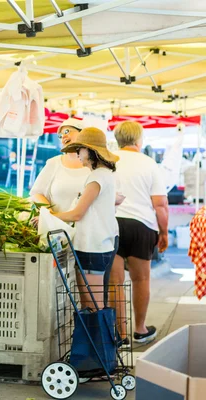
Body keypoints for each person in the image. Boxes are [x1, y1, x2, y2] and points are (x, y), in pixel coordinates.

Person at [109, 121, 169, 345]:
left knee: (115, 282)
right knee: (141, 279)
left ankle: (121, 334)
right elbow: (160, 204)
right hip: (142, 226)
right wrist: (164, 233)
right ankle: (140, 329)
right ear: (138, 140)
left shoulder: (108, 161)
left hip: (112, 223)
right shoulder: (149, 164)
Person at [52, 127, 120, 310]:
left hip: (93, 247)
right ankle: (97, 338)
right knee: (91, 305)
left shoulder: (97, 177)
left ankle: (101, 339)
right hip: (97, 245)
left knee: (93, 306)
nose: (77, 154)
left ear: (90, 151)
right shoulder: (103, 175)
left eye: (79, 149)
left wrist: (50, 217)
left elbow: (77, 213)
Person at [30, 118, 88, 211]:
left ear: (82, 134)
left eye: (67, 131)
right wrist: (50, 213)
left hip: (86, 224)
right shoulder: (54, 163)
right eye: (60, 136)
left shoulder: (95, 166)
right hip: (55, 224)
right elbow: (36, 193)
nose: (63, 136)